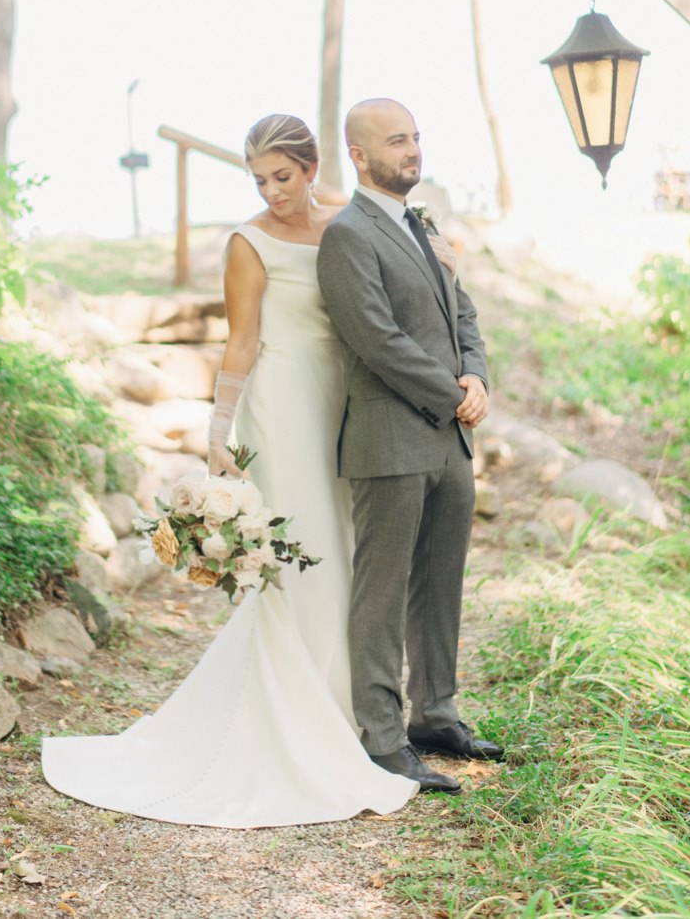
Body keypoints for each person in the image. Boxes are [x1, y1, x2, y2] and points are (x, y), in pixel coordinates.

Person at [42, 114, 439, 827]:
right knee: (309, 560)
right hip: (283, 409)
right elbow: (242, 341)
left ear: (312, 167)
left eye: (282, 176)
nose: (271, 191)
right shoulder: (248, 242)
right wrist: (218, 431)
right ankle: (305, 725)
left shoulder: (349, 228)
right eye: (259, 180)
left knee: (353, 555)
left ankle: (357, 712)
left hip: (347, 405)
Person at [317, 99, 501, 792]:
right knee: (383, 592)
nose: (413, 151)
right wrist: (452, 392)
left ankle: (437, 716)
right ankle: (385, 738)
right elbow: (375, 338)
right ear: (359, 154)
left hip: (450, 441)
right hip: (389, 438)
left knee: (440, 582)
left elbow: (463, 313)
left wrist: (477, 376)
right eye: (397, 142)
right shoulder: (347, 235)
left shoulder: (422, 227)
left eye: (416, 138)